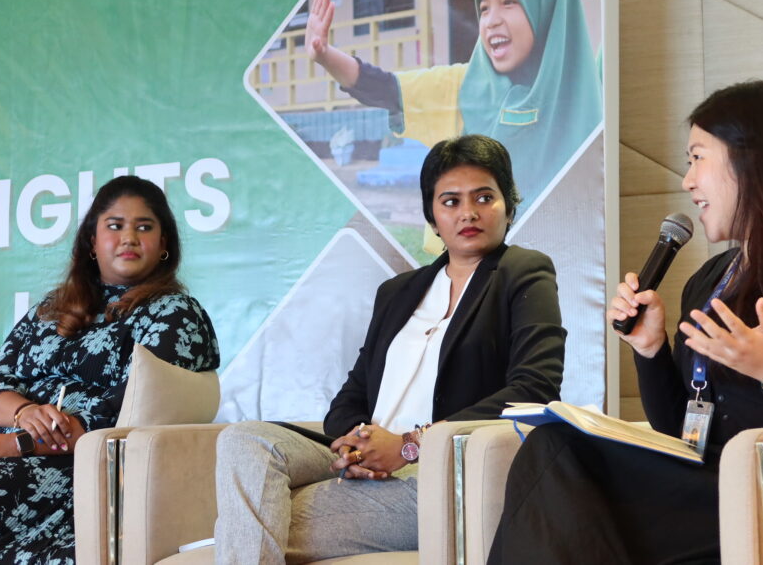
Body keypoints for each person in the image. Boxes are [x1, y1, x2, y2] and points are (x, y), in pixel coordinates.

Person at [487, 80, 763, 564]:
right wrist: (651, 350)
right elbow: (682, 431)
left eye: (697, 158)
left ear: (750, 160)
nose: (687, 181)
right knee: (554, 450)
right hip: (705, 487)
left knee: (559, 462)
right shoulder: (711, 279)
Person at [214, 134, 566, 564]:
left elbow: (534, 388)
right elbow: (352, 395)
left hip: (440, 473)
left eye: (484, 197)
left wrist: (409, 445)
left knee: (253, 517)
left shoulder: (523, 272)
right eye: (450, 201)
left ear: (508, 207)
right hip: (369, 461)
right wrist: (355, 447)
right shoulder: (399, 292)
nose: (468, 212)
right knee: (246, 439)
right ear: (432, 216)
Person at [0, 175, 220, 563]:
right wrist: (25, 413)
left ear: (164, 246)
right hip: (5, 451)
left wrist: (15, 444)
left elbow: (122, 415)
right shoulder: (50, 309)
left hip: (85, 474)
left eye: (143, 227)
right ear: (92, 242)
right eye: (115, 226)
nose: (128, 237)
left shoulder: (174, 315)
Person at [305, 0, 602, 218]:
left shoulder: (592, 104)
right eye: (484, 8)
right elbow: (387, 89)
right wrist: (325, 55)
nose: (492, 20)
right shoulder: (464, 86)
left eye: (509, 2)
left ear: (547, 7)